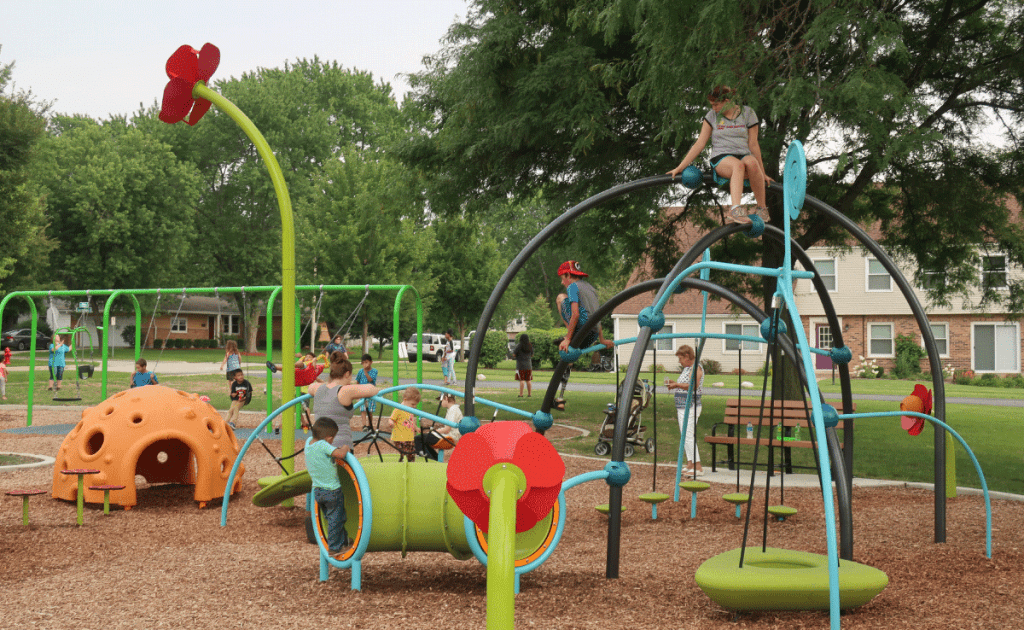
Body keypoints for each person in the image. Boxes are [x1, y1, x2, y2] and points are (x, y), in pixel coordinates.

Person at [666, 85, 772, 225]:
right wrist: (680, 167)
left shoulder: (748, 113)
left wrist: (762, 173)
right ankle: (736, 210)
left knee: (752, 162)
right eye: (711, 105)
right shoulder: (712, 116)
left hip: (743, 154)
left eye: (716, 104)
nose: (713, 108)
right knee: (738, 165)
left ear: (727, 100)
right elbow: (700, 143)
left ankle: (762, 208)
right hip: (722, 158)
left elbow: (753, 144)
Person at [306, 352, 379, 447]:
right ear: (347, 374)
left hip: (318, 447)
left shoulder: (317, 388)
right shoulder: (345, 391)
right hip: (340, 447)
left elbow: (310, 387)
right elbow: (372, 389)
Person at [305, 417, 351, 556]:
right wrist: (345, 446)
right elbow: (340, 454)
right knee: (336, 519)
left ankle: (343, 540)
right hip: (332, 491)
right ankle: (335, 547)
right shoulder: (323, 445)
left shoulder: (309, 444)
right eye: (333, 439)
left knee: (334, 518)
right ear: (329, 438)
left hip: (318, 491)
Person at [556, 260, 613, 354]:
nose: (562, 282)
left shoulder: (572, 287)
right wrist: (602, 340)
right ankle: (571, 337)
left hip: (581, 332)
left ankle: (570, 334)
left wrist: (568, 339)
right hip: (592, 335)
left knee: (560, 298)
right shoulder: (591, 288)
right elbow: (597, 314)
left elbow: (575, 314)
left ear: (568, 275)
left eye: (562, 278)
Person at [665, 345, 704, 477]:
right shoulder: (687, 368)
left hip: (691, 405)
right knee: (685, 436)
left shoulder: (696, 368)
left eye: (681, 358)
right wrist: (675, 383)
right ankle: (690, 463)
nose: (679, 361)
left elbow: (694, 386)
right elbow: (685, 384)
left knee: (688, 435)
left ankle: (698, 466)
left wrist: (676, 385)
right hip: (682, 406)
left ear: (687, 356)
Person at [415, 393, 462, 460]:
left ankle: (430, 459)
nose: (440, 403)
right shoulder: (453, 409)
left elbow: (447, 429)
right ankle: (434, 459)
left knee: (418, 439)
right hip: (448, 436)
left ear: (446, 398)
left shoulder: (453, 410)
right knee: (422, 439)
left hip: (450, 437)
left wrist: (435, 431)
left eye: (441, 400)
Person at [387, 386, 421, 461]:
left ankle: (406, 467)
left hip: (409, 438)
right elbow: (391, 418)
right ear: (405, 400)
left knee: (411, 454)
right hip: (400, 438)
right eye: (413, 404)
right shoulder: (398, 409)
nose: (414, 407)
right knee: (407, 454)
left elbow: (411, 421)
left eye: (415, 404)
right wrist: (391, 423)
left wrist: (416, 428)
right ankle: (404, 467)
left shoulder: (409, 410)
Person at [354, 353, 378, 429]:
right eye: (363, 363)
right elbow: (357, 382)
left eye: (366, 362)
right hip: (362, 394)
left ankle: (370, 425)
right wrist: (357, 394)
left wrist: (365, 371)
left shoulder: (374, 371)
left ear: (371, 362)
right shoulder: (360, 372)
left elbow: (370, 380)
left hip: (371, 394)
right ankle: (364, 425)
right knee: (363, 410)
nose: (365, 364)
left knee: (370, 411)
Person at [513, 333, 534, 397]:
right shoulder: (530, 346)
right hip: (528, 365)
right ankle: (529, 394)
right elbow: (532, 354)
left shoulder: (519, 346)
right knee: (528, 380)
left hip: (520, 365)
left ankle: (521, 394)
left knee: (522, 380)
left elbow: (514, 354)